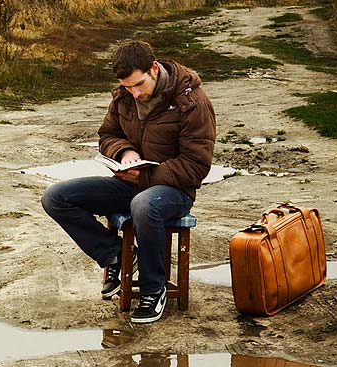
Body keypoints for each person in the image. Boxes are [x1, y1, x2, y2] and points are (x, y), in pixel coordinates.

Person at [41, 40, 216, 323]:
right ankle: (116, 256)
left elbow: (196, 166)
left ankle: (153, 289)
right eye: (127, 87)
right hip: (129, 184)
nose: (134, 93)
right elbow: (107, 135)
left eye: (139, 85)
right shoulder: (124, 96)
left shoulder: (192, 102)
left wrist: (145, 176)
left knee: (144, 205)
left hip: (174, 192)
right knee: (56, 197)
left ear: (154, 69)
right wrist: (124, 152)